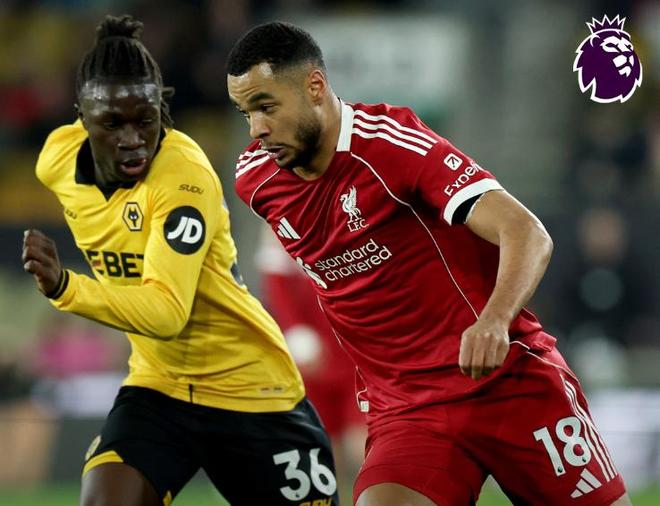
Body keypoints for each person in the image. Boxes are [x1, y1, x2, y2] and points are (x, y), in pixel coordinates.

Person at [226, 21, 631, 506]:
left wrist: (494, 320)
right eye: (245, 112)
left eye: (267, 107)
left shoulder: (392, 145)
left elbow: (526, 232)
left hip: (507, 383)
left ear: (314, 87)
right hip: (409, 411)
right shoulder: (257, 179)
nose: (256, 129)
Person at [22, 15, 338, 506]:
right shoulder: (56, 160)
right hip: (159, 389)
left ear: (161, 110)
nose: (133, 138)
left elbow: (167, 314)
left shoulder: (182, 178)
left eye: (145, 119)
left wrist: (67, 287)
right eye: (113, 123)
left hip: (252, 391)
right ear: (82, 118)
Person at [256, 227, 367, 502]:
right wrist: (295, 331)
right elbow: (274, 279)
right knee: (325, 449)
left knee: (366, 444)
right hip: (313, 358)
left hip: (356, 352)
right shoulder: (279, 218)